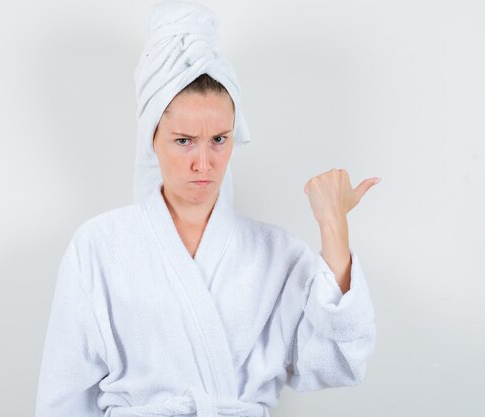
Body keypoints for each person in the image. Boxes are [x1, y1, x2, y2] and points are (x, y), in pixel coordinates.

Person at [34, 1, 378, 416]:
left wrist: (333, 226)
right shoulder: (97, 247)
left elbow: (336, 363)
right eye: (183, 140)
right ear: (153, 138)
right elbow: (62, 399)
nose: (203, 163)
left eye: (219, 139)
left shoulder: (277, 254)